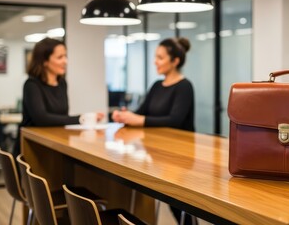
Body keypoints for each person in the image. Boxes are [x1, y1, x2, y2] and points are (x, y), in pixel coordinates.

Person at [111, 37, 196, 225]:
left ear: (175, 61)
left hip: (179, 154)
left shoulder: (184, 86)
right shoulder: (157, 86)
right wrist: (126, 116)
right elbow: (142, 113)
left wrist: (138, 119)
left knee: (177, 204)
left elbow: (174, 121)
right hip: (158, 151)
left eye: (160, 57)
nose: (155, 61)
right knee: (166, 199)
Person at [14, 38, 103, 156]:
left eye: (65, 56)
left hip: (55, 142)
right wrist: (81, 119)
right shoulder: (31, 85)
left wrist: (84, 119)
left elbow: (62, 116)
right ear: (45, 61)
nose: (65, 61)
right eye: (60, 57)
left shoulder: (62, 83)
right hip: (32, 146)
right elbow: (41, 118)